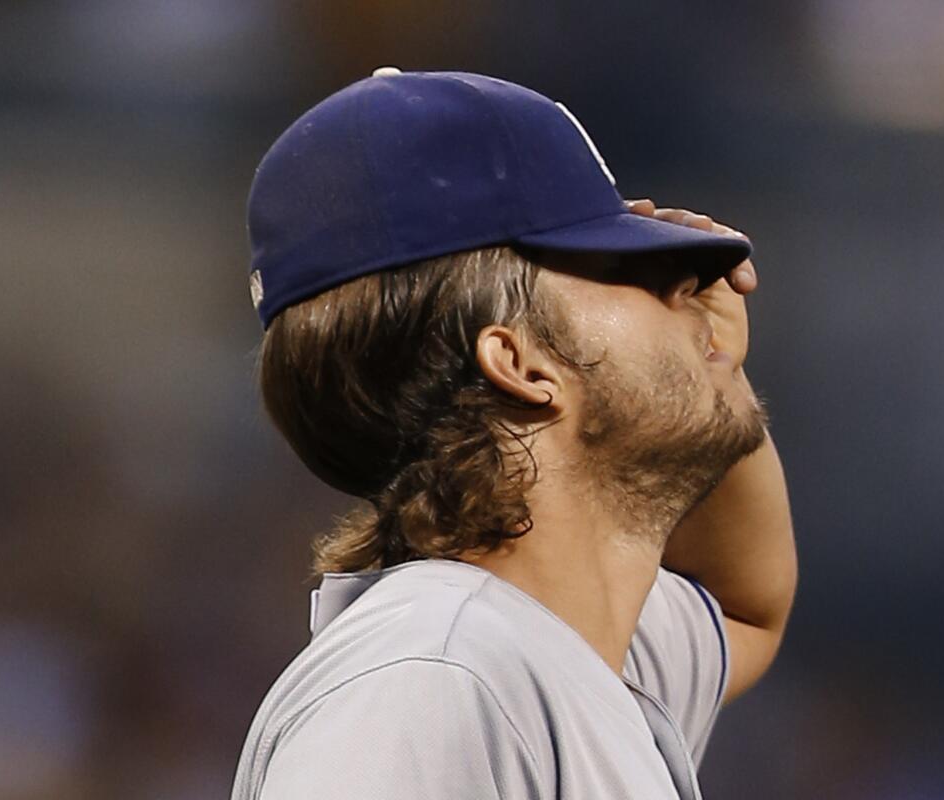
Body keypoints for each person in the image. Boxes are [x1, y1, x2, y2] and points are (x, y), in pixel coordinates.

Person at [231, 68, 796, 800]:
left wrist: (712, 369)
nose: (686, 285)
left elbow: (744, 608)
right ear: (520, 362)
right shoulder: (429, 680)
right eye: (622, 263)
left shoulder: (554, 645)